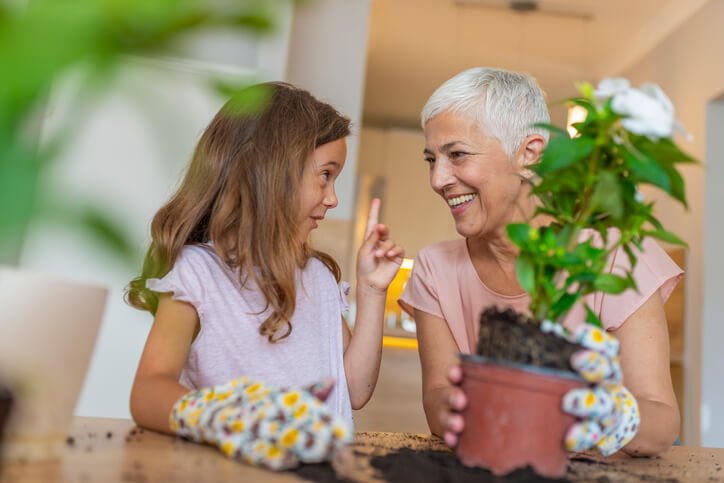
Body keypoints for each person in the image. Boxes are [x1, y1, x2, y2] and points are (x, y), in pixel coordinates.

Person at [398, 67, 682, 457]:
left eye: (457, 155)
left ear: (529, 153)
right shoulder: (435, 270)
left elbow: (662, 423)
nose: (438, 179)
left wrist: (603, 413)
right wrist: (469, 410)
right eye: (432, 159)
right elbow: (437, 397)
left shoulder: (613, 259)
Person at [125, 82, 403, 467]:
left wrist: (373, 290)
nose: (333, 197)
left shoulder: (318, 278)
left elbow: (353, 392)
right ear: (272, 171)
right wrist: (232, 418)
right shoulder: (197, 274)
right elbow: (147, 392)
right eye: (325, 175)